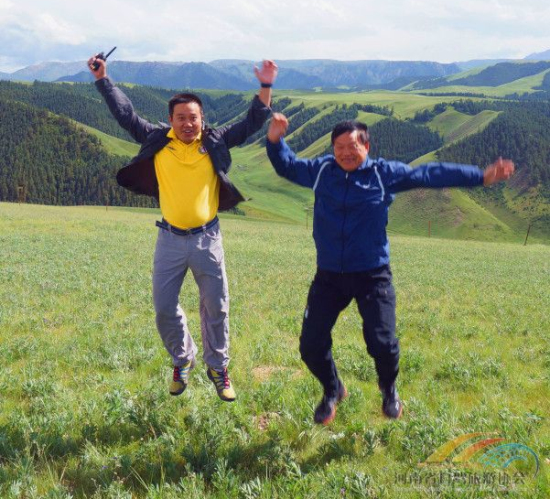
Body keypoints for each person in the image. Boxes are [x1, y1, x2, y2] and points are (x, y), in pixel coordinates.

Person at [266, 114, 514, 425]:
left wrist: (479, 177)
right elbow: (287, 165)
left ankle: (389, 388)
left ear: (367, 147)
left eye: (353, 146)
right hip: (329, 275)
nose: (345, 153)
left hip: (372, 275)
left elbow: (428, 173)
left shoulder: (383, 174)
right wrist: (275, 140)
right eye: (339, 147)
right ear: (332, 149)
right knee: (310, 344)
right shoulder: (322, 171)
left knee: (382, 342)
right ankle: (332, 389)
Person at [89, 54, 278, 402]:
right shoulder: (158, 139)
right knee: (164, 308)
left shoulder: (215, 140)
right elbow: (125, 114)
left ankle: (218, 368)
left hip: (207, 238)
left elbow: (252, 121)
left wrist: (265, 84)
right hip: (170, 239)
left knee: (217, 307)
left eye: (193, 117)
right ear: (170, 120)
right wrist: (103, 79)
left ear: (202, 119)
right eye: (181, 118)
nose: (188, 124)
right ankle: (183, 358)